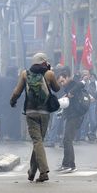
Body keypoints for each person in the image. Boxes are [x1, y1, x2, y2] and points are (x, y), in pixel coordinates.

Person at [10, 53, 61, 182]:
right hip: (45, 113)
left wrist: (12, 101)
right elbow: (57, 88)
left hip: (30, 112)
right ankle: (39, 172)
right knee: (39, 142)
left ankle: (36, 172)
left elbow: (17, 91)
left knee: (36, 142)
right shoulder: (49, 74)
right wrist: (50, 71)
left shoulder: (24, 74)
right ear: (44, 62)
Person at [56, 67, 87, 173]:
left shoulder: (74, 84)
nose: (62, 84)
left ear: (67, 77)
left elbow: (82, 83)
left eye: (62, 81)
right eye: (60, 82)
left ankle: (72, 165)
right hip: (70, 116)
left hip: (75, 116)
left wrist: (70, 93)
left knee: (68, 140)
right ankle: (65, 164)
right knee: (66, 140)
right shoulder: (67, 87)